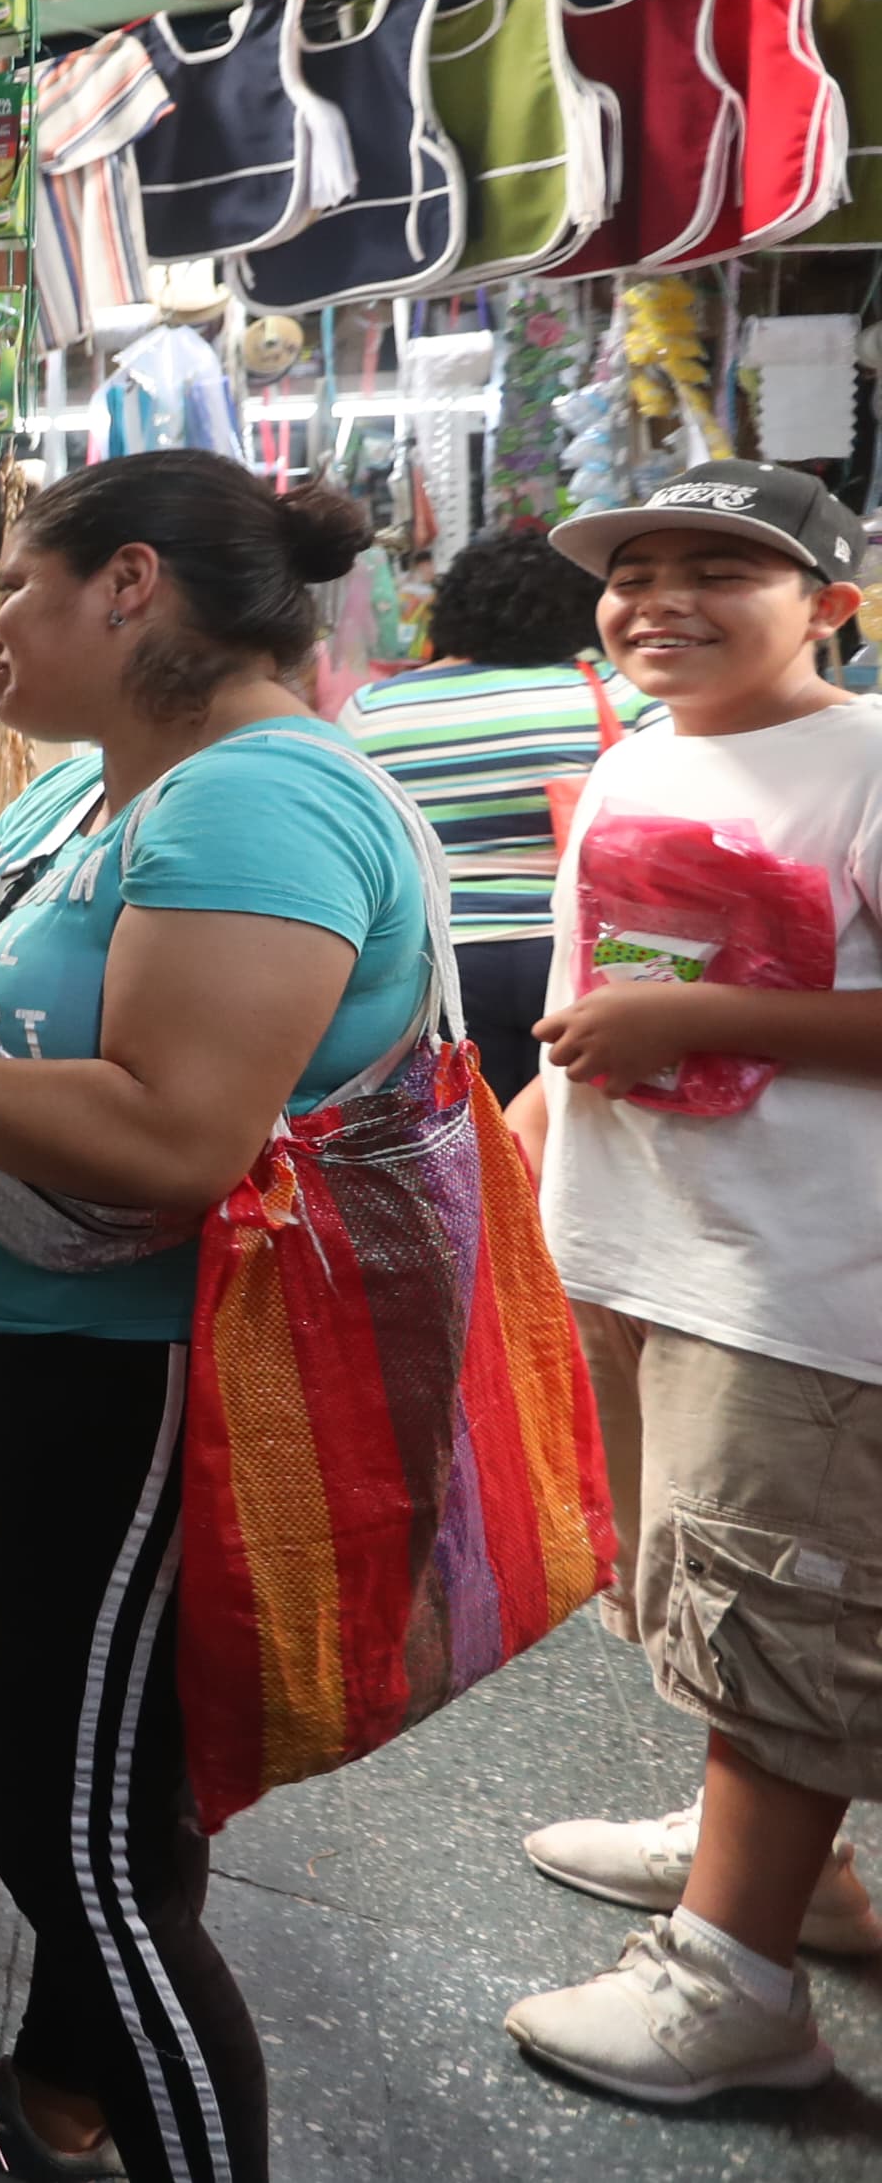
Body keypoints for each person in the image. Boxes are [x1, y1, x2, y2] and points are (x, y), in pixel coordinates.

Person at [0, 450, 436, 2183]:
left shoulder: (252, 805)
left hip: (145, 1393)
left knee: (75, 1835)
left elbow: (179, 1135)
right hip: (35, 1367)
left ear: (130, 585)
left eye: (8, 598)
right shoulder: (99, 785)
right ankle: (52, 2103)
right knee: (106, 1789)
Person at [498, 461, 882, 2105]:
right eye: (633, 566)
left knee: (775, 1606)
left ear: (835, 605)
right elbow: (615, 977)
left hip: (797, 1278)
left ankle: (738, 1986)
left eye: (721, 564)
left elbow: (691, 1007)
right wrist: (536, 1106)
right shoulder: (647, 746)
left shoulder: (865, 760)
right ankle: (790, 1864)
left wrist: (693, 1027)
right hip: (635, 1238)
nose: (658, 593)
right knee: (683, 1576)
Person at [341, 522, 649, 1100]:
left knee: (468, 1154)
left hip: (433, 964)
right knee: (573, 1144)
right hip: (582, 955)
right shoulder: (616, 692)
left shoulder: (370, 710)